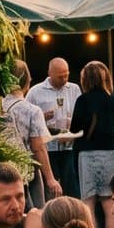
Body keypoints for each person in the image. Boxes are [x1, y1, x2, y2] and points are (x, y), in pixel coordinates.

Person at [68, 61, 114, 228]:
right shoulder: (112, 98)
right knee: (109, 204)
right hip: (110, 154)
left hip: (87, 154)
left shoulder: (83, 100)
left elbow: (74, 129)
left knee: (88, 203)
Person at [0, 60, 60, 205]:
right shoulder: (32, 110)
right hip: (26, 173)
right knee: (34, 213)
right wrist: (50, 179)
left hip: (0, 170)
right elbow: (38, 147)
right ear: (26, 80)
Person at [28, 57, 80, 198]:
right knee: (51, 191)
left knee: (72, 188)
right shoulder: (35, 92)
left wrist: (73, 125)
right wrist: (42, 117)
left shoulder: (74, 89)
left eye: (66, 75)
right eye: (60, 76)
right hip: (47, 148)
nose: (64, 79)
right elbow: (27, 119)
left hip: (68, 146)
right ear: (50, 73)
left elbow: (80, 116)